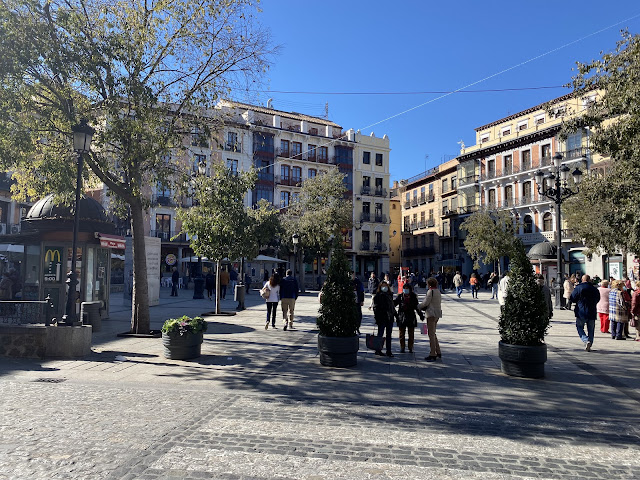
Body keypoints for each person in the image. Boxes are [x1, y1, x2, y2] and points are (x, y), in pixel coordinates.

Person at [569, 274, 600, 351]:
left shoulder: (578, 288)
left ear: (582, 280)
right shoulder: (594, 289)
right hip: (592, 311)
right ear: (589, 280)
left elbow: (572, 298)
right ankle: (590, 342)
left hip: (581, 311)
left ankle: (586, 340)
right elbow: (598, 298)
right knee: (591, 329)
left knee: (579, 327)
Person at [394, 283, 422, 353]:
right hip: (402, 316)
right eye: (404, 289)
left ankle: (410, 347)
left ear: (410, 290)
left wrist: (421, 315)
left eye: (407, 289)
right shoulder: (400, 296)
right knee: (401, 333)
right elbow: (394, 304)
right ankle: (402, 347)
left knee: (411, 334)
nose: (405, 290)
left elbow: (417, 307)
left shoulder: (413, 297)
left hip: (411, 316)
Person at [419, 277, 443, 362]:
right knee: (433, 333)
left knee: (431, 334)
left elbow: (426, 302)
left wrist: (418, 306)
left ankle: (433, 353)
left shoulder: (430, 291)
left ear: (429, 284)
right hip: (437, 313)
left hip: (431, 314)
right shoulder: (438, 291)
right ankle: (438, 351)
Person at [372, 281, 396, 357]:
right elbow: (375, 308)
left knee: (389, 335)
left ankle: (389, 351)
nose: (384, 287)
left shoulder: (390, 295)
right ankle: (378, 349)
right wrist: (377, 317)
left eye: (385, 286)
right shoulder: (378, 296)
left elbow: (392, 307)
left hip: (389, 317)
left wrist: (396, 315)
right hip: (382, 317)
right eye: (383, 286)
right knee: (380, 334)